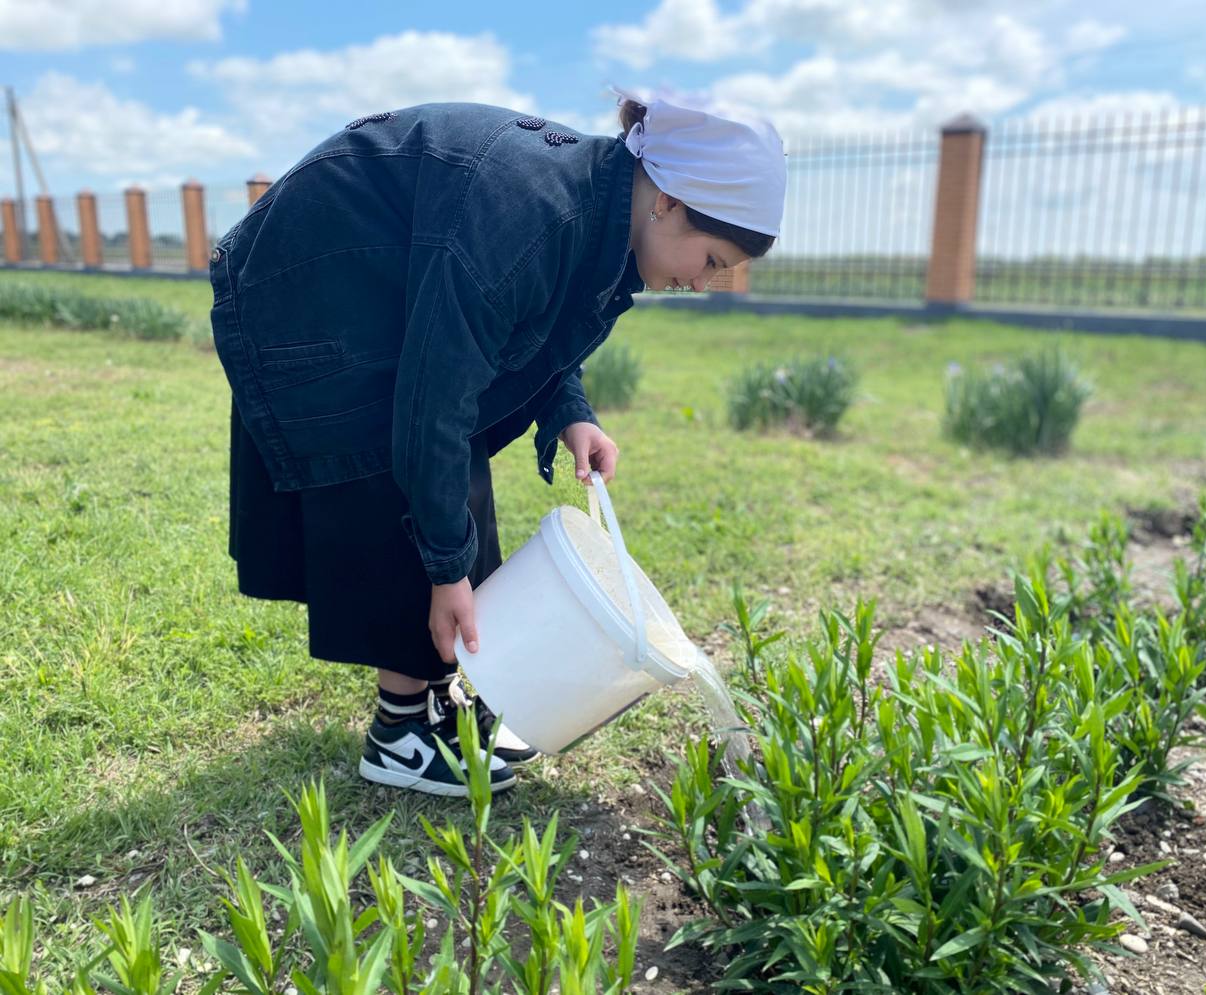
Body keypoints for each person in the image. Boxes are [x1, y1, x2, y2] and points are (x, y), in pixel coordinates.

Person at [207, 86, 786, 796]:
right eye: (712, 258)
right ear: (667, 200)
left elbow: (535, 323)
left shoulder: (596, 208)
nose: (704, 282)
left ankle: (442, 702)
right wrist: (447, 573)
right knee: (396, 466)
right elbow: (435, 398)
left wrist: (570, 410)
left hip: (383, 290)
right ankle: (400, 732)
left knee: (449, 471)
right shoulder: (534, 214)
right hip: (312, 288)